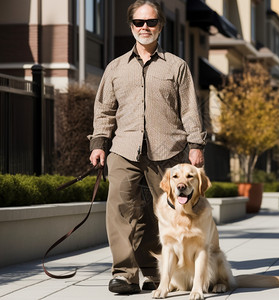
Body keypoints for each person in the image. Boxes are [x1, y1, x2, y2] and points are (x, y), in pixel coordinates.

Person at [88, 0, 206, 295]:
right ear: (131, 26)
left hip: (168, 149)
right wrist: (99, 143)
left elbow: (190, 109)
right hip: (124, 148)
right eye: (139, 23)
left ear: (160, 26)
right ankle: (124, 274)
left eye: (150, 22)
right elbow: (104, 110)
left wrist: (195, 144)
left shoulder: (177, 66)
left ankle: (158, 273)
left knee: (165, 212)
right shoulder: (115, 68)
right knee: (120, 208)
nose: (145, 28)